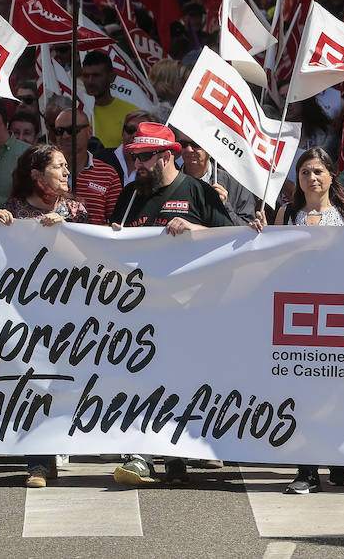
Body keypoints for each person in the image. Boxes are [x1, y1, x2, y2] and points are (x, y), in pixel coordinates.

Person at [109, 121, 234, 487]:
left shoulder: (198, 192)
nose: (138, 164)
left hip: (189, 309)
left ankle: (175, 451)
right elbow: (109, 242)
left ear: (167, 156)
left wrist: (195, 230)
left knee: (180, 380)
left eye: (145, 157)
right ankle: (140, 452)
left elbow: (229, 239)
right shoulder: (131, 194)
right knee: (140, 377)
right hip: (140, 306)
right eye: (134, 156)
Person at [248, 147, 344, 494]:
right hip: (298, 314)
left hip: (337, 312)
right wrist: (262, 234)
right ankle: (307, 469)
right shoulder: (287, 211)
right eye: (304, 173)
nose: (312, 178)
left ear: (331, 175)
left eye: (318, 171)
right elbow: (275, 259)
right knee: (303, 388)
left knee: (335, 388)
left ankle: (338, 458)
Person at [0, 144, 91, 488]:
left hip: (71, 313)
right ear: (36, 176)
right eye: (58, 167)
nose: (67, 172)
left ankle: (60, 445)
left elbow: (94, 257)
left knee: (64, 382)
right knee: (32, 383)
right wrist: (0, 226)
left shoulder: (76, 211)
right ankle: (37, 462)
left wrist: (68, 231)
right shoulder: (14, 210)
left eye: (67, 166)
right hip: (27, 314)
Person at [52, 108, 121, 226]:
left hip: (93, 243)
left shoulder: (108, 173)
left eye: (72, 130)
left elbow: (116, 220)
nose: (65, 135)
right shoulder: (45, 171)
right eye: (59, 131)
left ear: (89, 132)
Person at [176, 128, 256, 224]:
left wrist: (224, 208)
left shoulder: (236, 184)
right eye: (183, 144)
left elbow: (248, 231)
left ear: (210, 148)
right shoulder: (169, 181)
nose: (189, 149)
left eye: (196, 144)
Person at [80, 51, 140, 151]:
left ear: (112, 77)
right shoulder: (76, 111)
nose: (90, 81)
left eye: (96, 75)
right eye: (86, 76)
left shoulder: (131, 113)